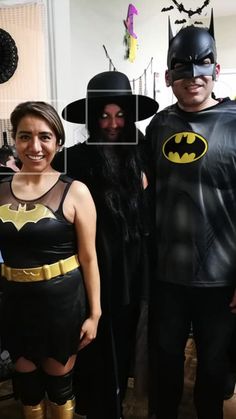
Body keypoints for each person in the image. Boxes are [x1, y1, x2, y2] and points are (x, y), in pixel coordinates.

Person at [53, 70, 159, 419]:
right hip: (94, 269)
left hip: (134, 268)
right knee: (98, 349)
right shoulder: (75, 159)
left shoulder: (141, 151)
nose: (112, 123)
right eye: (104, 116)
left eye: (119, 115)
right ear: (93, 119)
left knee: (127, 344)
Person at [146, 12, 236, 419]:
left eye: (202, 66)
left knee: (214, 369)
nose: (193, 76)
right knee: (164, 364)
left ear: (216, 69)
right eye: (182, 68)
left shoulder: (235, 123)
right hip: (168, 275)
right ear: (168, 75)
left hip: (221, 276)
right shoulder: (159, 125)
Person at [0, 101, 101, 419]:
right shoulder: (0, 191)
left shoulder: (76, 192)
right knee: (27, 389)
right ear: (14, 140)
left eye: (44, 136)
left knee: (60, 389)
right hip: (15, 304)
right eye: (25, 136)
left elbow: (88, 257)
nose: (34, 146)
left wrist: (95, 314)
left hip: (62, 305)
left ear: (58, 141)